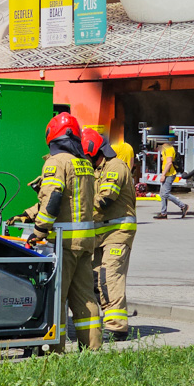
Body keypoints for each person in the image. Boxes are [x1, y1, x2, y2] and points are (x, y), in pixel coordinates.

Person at [28, 113, 102, 351]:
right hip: (85, 242)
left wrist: (38, 230)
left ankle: (55, 351)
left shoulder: (56, 161)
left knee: (56, 298)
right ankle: (92, 349)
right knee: (85, 298)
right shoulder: (84, 163)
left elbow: (54, 198)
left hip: (63, 243)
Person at [81, 128, 136, 342]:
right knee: (95, 278)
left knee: (109, 277)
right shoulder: (95, 169)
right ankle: (101, 321)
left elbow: (105, 199)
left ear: (95, 151)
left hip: (118, 233)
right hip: (98, 234)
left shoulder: (115, 167)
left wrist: (78, 214)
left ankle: (116, 327)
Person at [153, 141, 188, 219]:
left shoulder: (168, 149)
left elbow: (169, 163)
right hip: (167, 174)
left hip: (169, 174)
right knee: (162, 194)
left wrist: (163, 175)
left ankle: (183, 206)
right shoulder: (166, 149)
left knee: (165, 193)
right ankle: (163, 213)